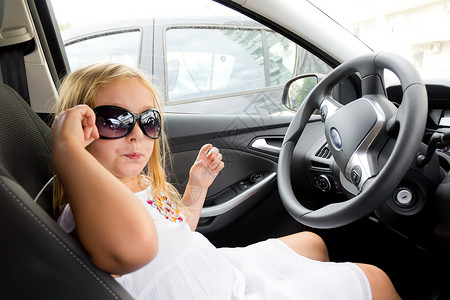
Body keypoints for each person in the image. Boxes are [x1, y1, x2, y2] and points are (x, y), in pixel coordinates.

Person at [52, 62, 401, 299]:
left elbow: (175, 233)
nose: (137, 135)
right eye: (115, 121)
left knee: (313, 243)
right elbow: (136, 248)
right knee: (377, 280)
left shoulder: (139, 184)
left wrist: (197, 187)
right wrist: (66, 148)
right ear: (81, 130)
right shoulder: (89, 212)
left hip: (219, 270)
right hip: (217, 293)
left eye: (149, 121)